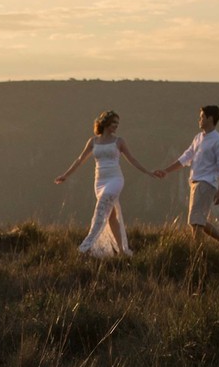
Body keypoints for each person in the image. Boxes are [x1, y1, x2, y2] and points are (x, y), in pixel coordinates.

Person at [55, 109, 154, 257]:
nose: (116, 126)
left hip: (115, 179)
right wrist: (65, 175)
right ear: (105, 123)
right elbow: (80, 160)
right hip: (100, 181)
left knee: (101, 209)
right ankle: (122, 250)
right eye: (114, 123)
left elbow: (132, 159)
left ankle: (85, 247)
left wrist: (148, 172)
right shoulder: (93, 141)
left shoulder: (119, 141)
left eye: (117, 123)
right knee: (111, 216)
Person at [154, 105, 219, 247]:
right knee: (198, 219)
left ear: (210, 119)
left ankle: (197, 251)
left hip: (206, 183)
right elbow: (186, 157)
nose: (199, 120)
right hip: (195, 182)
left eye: (202, 117)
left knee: (195, 221)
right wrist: (166, 171)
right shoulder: (198, 138)